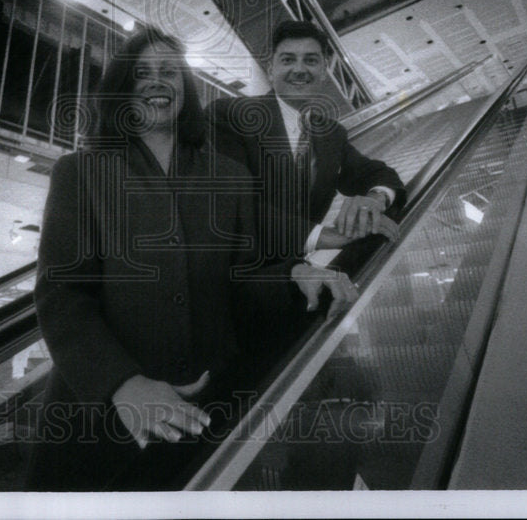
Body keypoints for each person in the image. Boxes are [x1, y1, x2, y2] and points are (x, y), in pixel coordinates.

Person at [29, 28, 358, 491]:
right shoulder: (81, 173)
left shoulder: (229, 177)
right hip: (100, 421)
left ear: (185, 88)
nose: (156, 81)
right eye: (142, 73)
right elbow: (62, 296)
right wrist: (122, 385)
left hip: (205, 412)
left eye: (169, 72)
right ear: (122, 88)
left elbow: (243, 277)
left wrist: (294, 272)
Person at [207, 20, 405, 271]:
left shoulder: (331, 134)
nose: (299, 70)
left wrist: (375, 199)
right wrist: (320, 235)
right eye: (288, 60)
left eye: (310, 60)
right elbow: (228, 203)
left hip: (295, 278)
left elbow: (377, 173)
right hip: (230, 276)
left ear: (324, 72)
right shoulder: (230, 115)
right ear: (270, 70)